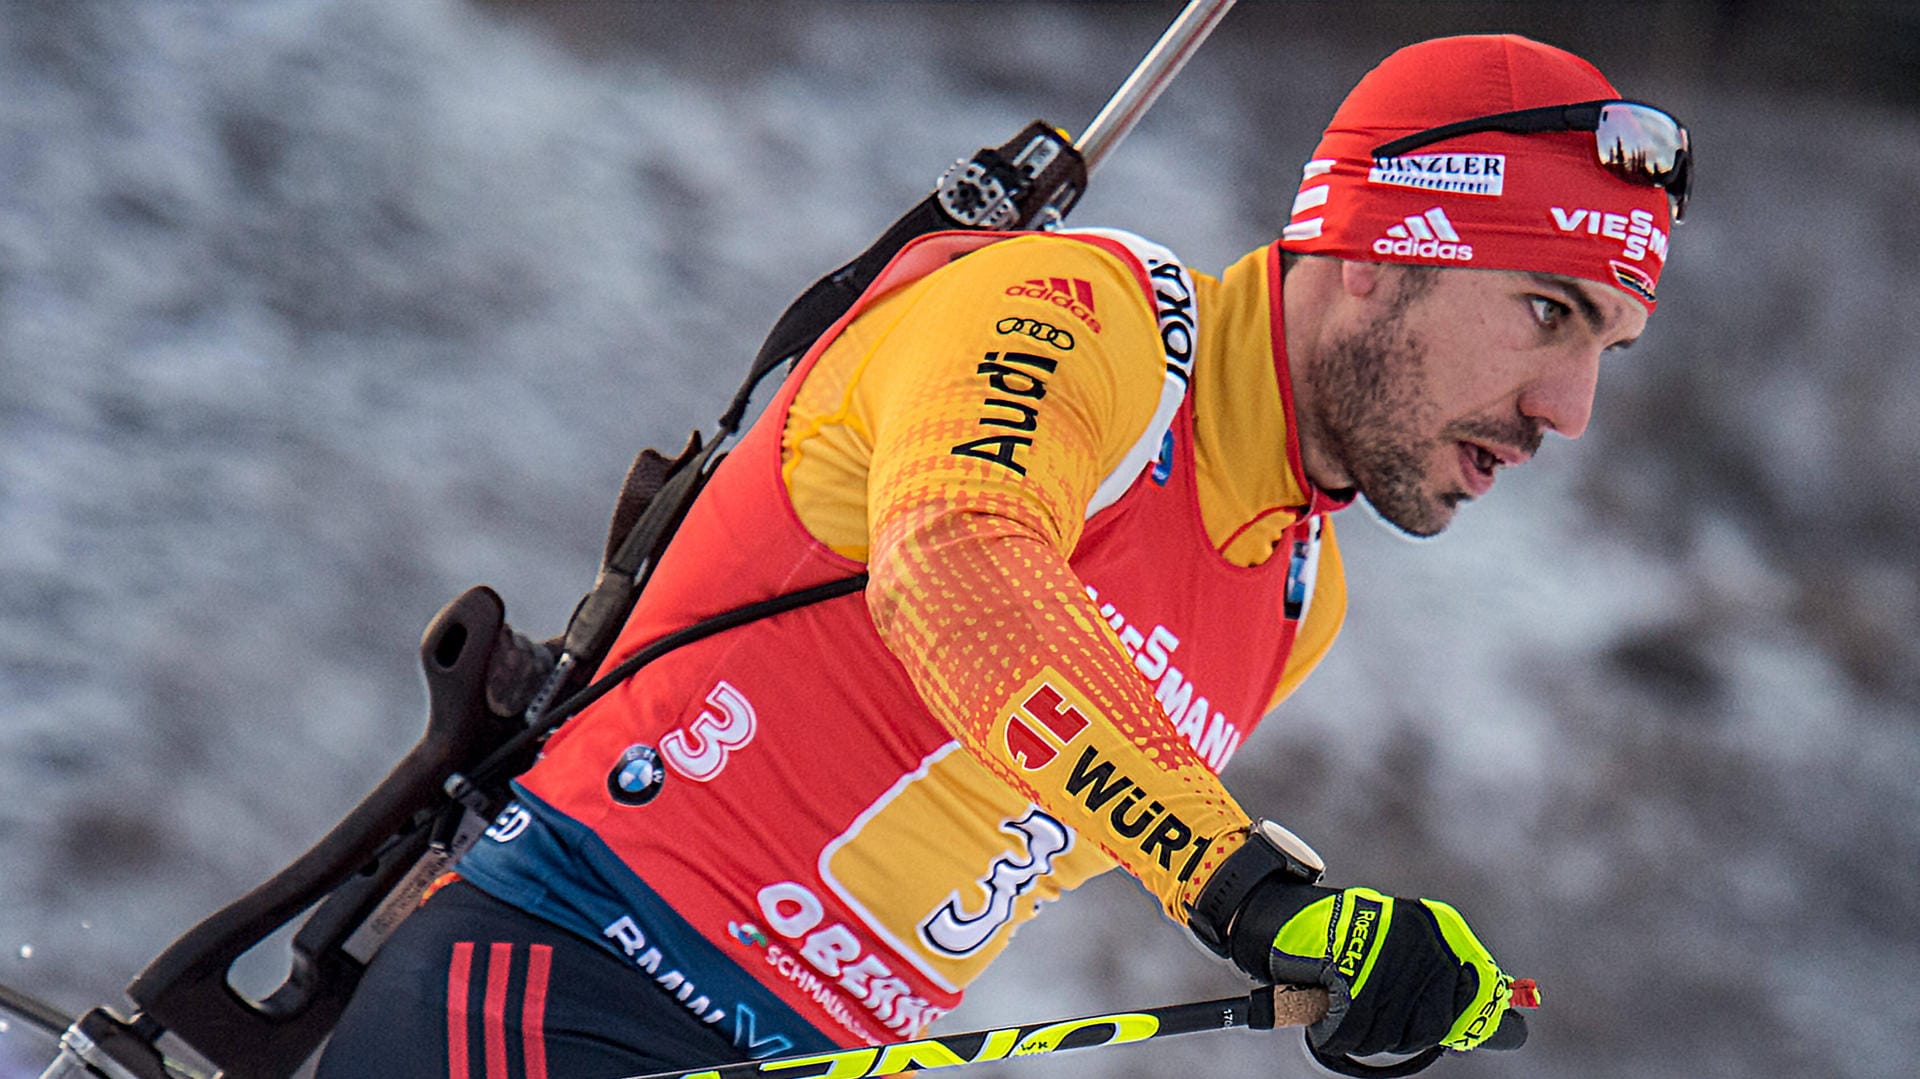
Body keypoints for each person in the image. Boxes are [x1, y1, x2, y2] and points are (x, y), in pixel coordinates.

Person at [316, 32, 1689, 1079]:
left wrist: (1343, 946)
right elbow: (960, 573)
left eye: (1607, 353)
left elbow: (1051, 795)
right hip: (567, 979)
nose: (1568, 411)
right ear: (1376, 254)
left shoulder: (1295, 594)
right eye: (1545, 313)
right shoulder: (1078, 318)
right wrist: (1251, 891)